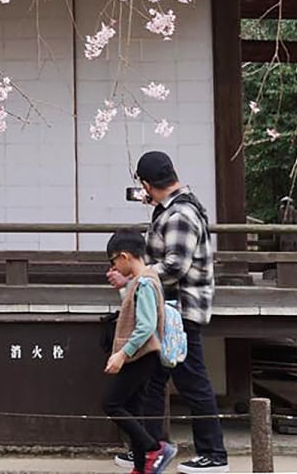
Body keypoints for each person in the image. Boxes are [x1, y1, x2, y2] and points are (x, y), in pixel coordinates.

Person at [108, 151, 228, 474]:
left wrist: (135, 275)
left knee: (192, 381)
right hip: (169, 309)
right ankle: (148, 449)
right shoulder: (174, 209)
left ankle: (214, 454)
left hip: (181, 312)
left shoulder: (179, 216)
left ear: (147, 183)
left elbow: (175, 266)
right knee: (153, 382)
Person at [103, 229, 178, 474]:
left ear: (124, 256)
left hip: (140, 356)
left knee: (111, 404)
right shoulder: (144, 279)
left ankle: (154, 448)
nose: (114, 267)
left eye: (113, 261)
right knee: (134, 409)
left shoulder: (144, 282)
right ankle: (140, 467)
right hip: (143, 356)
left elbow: (146, 325)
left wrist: (122, 354)